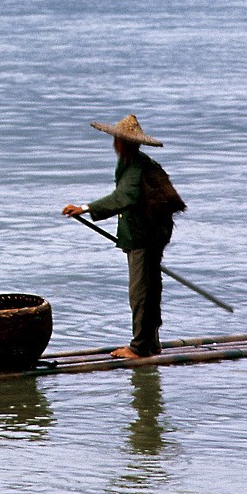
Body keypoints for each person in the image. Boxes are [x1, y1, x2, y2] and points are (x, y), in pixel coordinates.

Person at [63, 113, 185, 358]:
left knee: (140, 291)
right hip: (150, 234)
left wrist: (85, 208)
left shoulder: (136, 166)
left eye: (117, 141)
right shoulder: (132, 163)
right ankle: (151, 342)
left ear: (125, 143)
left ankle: (139, 347)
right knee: (150, 288)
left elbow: (124, 197)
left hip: (145, 237)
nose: (114, 145)